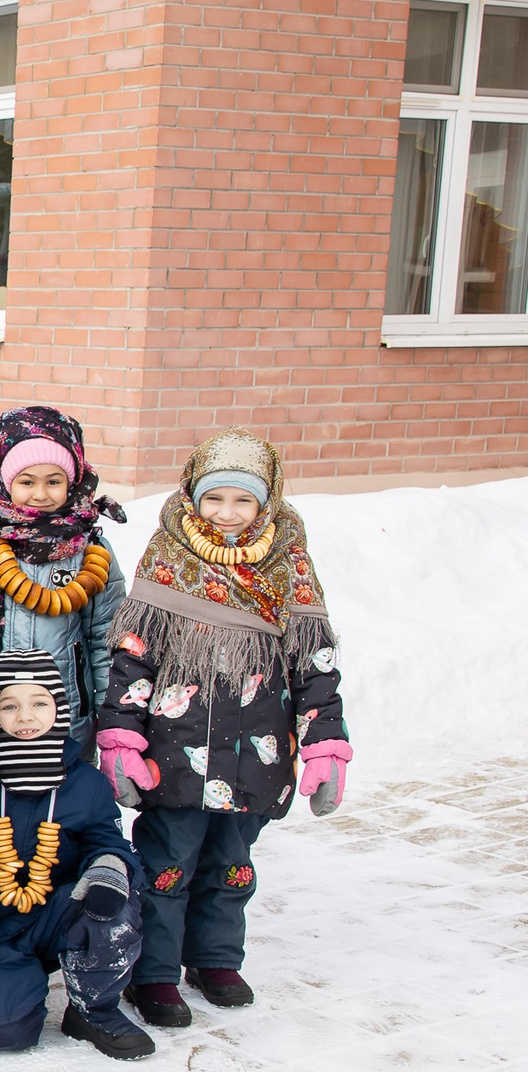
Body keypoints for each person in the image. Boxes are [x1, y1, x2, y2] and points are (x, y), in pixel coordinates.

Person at [96, 431, 349, 1027]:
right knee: (167, 865)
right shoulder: (168, 558)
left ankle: (215, 959)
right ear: (193, 496)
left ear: (268, 502)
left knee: (232, 864)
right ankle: (154, 972)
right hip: (174, 756)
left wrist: (324, 747)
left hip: (255, 755)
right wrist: (121, 737)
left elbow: (314, 667)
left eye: (243, 500)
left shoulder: (289, 563)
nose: (227, 513)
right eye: (214, 499)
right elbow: (133, 660)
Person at [0, 652, 153, 1059]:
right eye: (10, 706)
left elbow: (107, 842)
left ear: (60, 709)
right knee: (0, 1033)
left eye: (39, 703)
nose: (25, 717)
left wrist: (108, 869)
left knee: (111, 907)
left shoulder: (86, 782)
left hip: (59, 910)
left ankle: (94, 1009)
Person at [0, 407, 126, 754]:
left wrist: (109, 713)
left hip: (63, 709)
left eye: (53, 481)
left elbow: (105, 639)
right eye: (27, 482)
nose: (40, 494)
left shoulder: (90, 550)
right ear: (5, 480)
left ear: (73, 481)